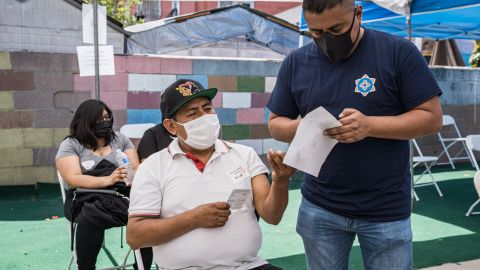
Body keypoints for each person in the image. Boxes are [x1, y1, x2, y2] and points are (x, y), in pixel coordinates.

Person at [266, 0, 443, 269]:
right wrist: (307, 128)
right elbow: (275, 123)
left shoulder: (398, 52)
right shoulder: (296, 62)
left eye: (336, 29)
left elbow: (432, 118)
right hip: (320, 205)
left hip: (385, 208)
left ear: (358, 14)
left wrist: (370, 126)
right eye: (316, 33)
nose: (326, 40)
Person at [126, 79, 295, 270]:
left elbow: (272, 216)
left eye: (207, 109)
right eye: (192, 113)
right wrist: (193, 219)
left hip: (248, 266)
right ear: (171, 126)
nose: (204, 117)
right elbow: (135, 236)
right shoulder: (154, 167)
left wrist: (280, 180)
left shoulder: (244, 155)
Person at [56, 99, 140, 270]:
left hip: (121, 195)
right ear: (86, 121)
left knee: (147, 213)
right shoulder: (71, 144)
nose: (105, 122)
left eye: (107, 118)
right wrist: (109, 179)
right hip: (84, 196)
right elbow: (73, 179)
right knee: (91, 214)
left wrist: (125, 176)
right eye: (100, 119)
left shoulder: (120, 139)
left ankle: (142, 265)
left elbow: (134, 169)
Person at [133, 102, 174, 269]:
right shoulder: (153, 135)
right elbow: (146, 170)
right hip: (162, 193)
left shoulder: (203, 136)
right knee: (150, 220)